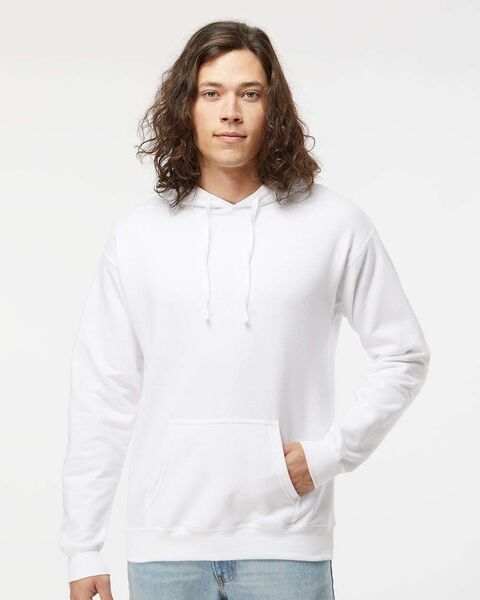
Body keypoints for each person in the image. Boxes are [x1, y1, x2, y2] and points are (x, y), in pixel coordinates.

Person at [60, 20, 431, 600]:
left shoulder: (335, 225)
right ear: (186, 107)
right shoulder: (137, 236)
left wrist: (331, 454)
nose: (230, 112)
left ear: (272, 107)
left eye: (249, 94)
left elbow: (404, 354)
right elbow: (102, 392)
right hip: (165, 550)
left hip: (288, 547)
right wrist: (83, 546)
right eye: (212, 93)